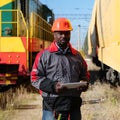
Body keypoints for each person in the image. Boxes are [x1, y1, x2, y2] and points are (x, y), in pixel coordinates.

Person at [31, 17, 90, 120]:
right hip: (52, 106)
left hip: (73, 105)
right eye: (60, 33)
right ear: (54, 34)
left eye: (67, 33)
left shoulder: (77, 56)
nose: (64, 36)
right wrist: (53, 86)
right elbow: (35, 78)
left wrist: (84, 82)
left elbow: (85, 73)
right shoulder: (43, 56)